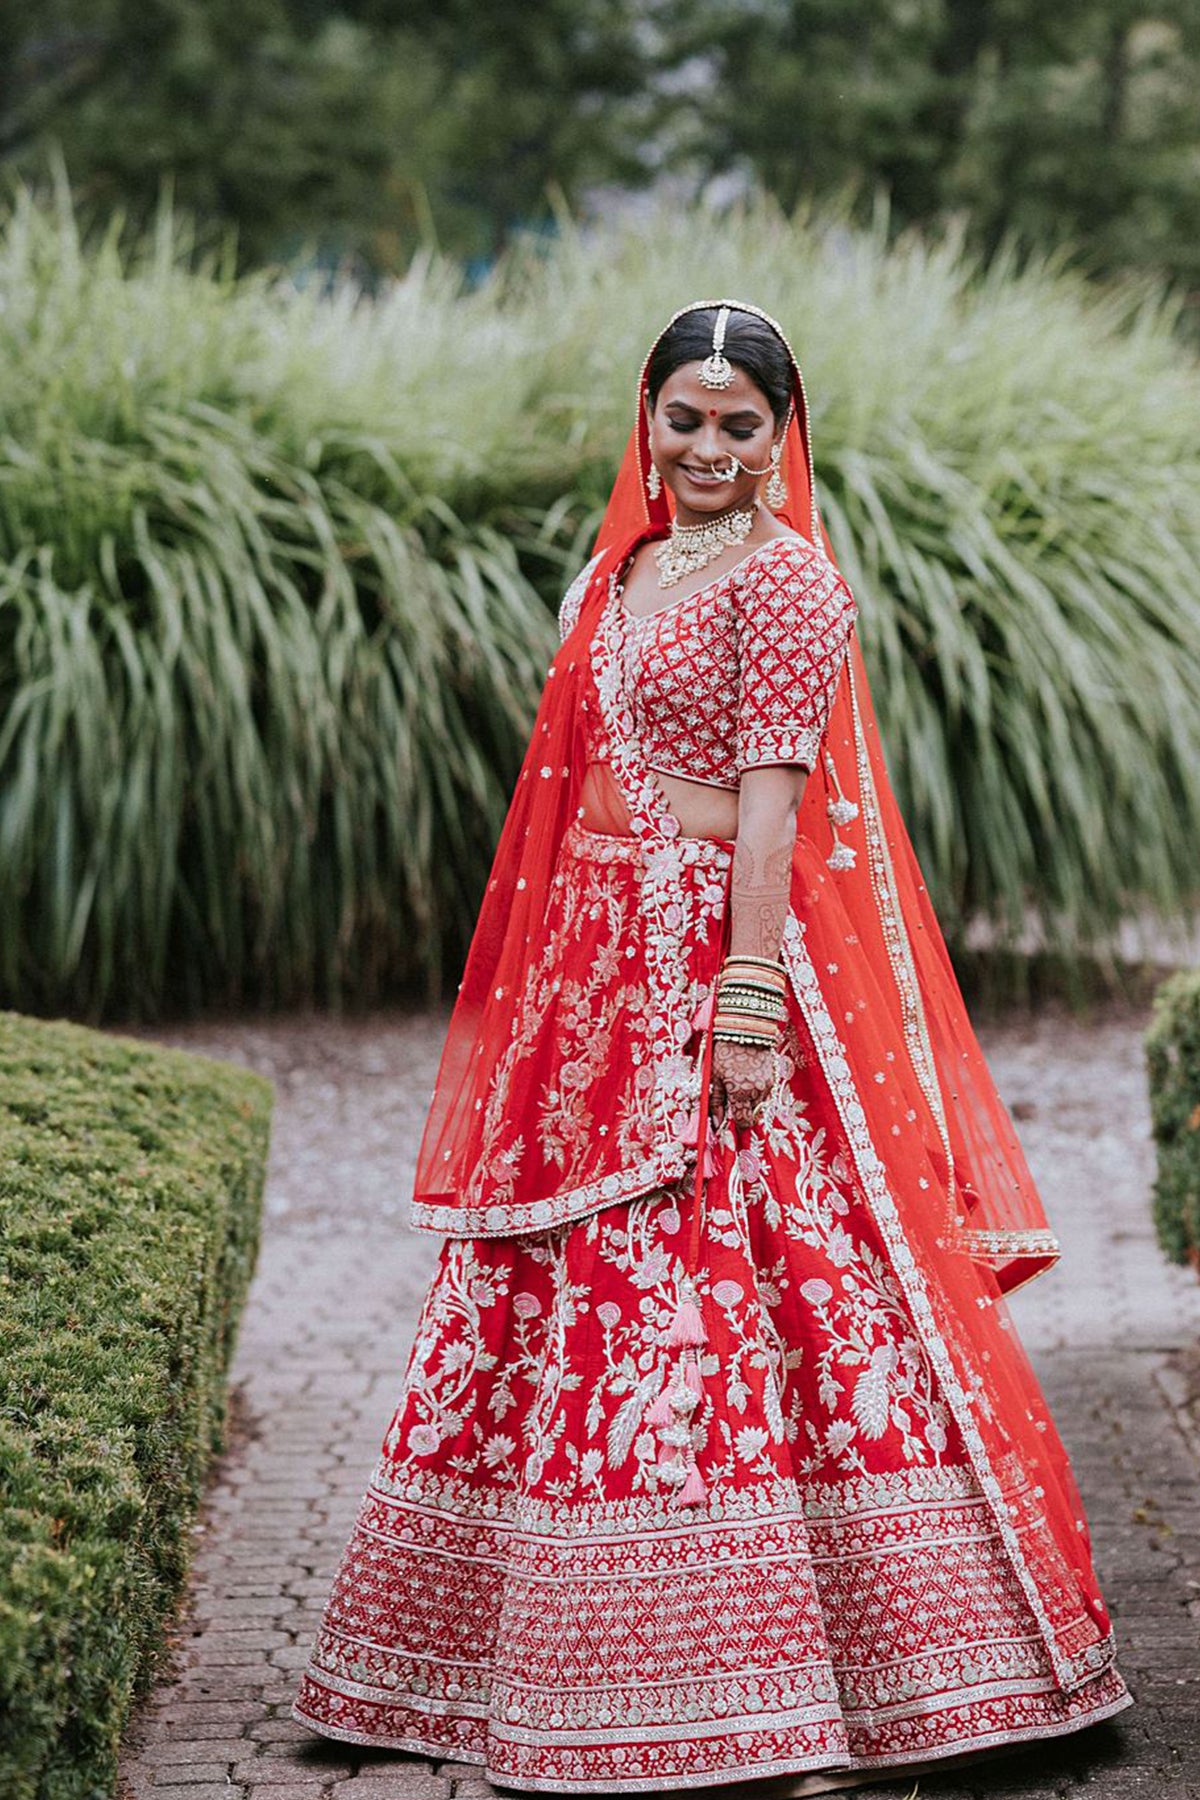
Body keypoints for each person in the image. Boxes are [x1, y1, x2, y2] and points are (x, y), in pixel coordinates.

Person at [293, 301, 1129, 1793]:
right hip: (596, 964)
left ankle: (812, 1693)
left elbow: (770, 802)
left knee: (752, 1270)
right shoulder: (611, 576)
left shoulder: (792, 586)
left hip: (717, 952)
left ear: (780, 435)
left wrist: (745, 994)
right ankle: (502, 1668)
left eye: (743, 424)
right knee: (564, 1282)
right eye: (687, 416)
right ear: (650, 417)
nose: (710, 447)